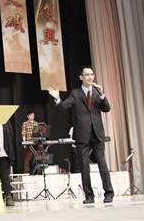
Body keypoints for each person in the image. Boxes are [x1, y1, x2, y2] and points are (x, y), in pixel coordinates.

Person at [48, 66, 114, 204]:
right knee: (84, 166)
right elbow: (64, 106)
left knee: (102, 163)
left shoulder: (97, 92)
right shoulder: (76, 93)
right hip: (82, 134)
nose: (90, 77)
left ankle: (109, 193)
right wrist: (58, 99)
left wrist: (102, 95)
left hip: (97, 133)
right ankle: (89, 195)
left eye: (92, 74)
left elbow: (106, 108)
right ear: (81, 77)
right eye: (87, 75)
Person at [0, 100, 16, 207]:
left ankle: (8, 197)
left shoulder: (5, 121)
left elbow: (11, 134)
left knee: (5, 177)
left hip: (4, 153)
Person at [21, 109, 38, 174]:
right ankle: (26, 172)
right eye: (31, 115)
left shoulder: (36, 123)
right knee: (27, 158)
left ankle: (38, 171)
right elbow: (24, 134)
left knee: (38, 156)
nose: (32, 117)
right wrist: (24, 143)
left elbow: (38, 133)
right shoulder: (25, 124)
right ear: (28, 116)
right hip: (29, 142)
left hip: (36, 142)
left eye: (33, 115)